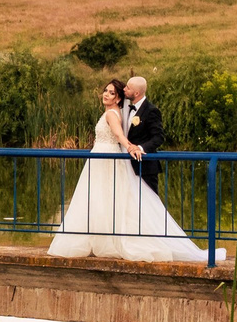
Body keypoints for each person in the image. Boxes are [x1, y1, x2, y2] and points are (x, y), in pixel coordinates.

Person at [47, 77, 212, 263]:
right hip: (109, 159)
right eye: (107, 90)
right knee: (108, 201)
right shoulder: (123, 110)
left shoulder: (138, 111)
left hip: (125, 161)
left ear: (134, 93)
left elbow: (123, 135)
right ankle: (104, 239)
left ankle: (142, 241)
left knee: (131, 205)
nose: (122, 90)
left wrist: (134, 147)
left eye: (116, 91)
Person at [122, 73, 165, 191]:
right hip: (127, 167)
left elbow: (158, 137)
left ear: (136, 93)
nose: (124, 89)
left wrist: (140, 148)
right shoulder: (126, 109)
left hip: (146, 167)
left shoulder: (151, 111)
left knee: (150, 205)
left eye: (127, 87)